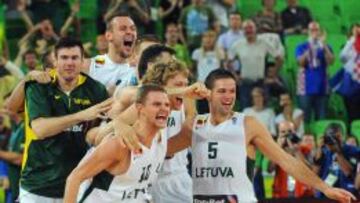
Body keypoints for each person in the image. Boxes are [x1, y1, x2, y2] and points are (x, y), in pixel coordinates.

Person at [164, 69, 355, 202]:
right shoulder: (194, 125)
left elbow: (285, 160)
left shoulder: (247, 124)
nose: (228, 96)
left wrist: (325, 188)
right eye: (222, 91)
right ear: (208, 94)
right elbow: (160, 150)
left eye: (232, 91)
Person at [19, 38, 112, 202]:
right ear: (55, 60)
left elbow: (101, 134)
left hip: (79, 185)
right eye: (64, 57)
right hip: (37, 185)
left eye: (75, 58)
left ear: (83, 61)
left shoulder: (96, 90)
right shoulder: (39, 86)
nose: (69, 63)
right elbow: (41, 129)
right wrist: (82, 116)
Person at [64, 84, 171, 203]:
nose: (164, 108)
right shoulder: (119, 145)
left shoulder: (161, 137)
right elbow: (74, 179)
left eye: (167, 105)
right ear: (139, 108)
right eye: (156, 104)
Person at [296, 21, 334, 123]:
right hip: (305, 88)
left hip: (322, 88)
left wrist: (324, 45)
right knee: (305, 120)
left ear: (320, 32)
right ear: (308, 32)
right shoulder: (302, 46)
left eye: (316, 30)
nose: (314, 32)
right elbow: (300, 62)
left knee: (321, 120)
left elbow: (331, 61)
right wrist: (312, 47)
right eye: (312, 30)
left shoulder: (326, 47)